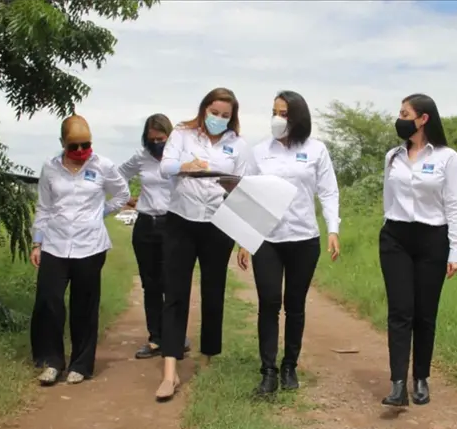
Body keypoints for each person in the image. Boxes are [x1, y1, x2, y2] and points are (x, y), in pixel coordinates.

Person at [237, 91, 341, 397]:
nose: (277, 119)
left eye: (283, 113)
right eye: (274, 112)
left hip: (304, 238)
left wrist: (333, 229)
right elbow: (248, 194)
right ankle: (268, 370)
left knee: (295, 306)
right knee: (269, 303)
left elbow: (329, 192)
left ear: (297, 117)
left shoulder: (316, 150)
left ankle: (289, 366)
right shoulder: (259, 152)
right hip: (267, 239)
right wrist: (244, 239)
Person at [156, 87, 255, 401]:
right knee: (175, 294)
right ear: (204, 110)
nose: (218, 119)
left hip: (218, 224)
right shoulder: (182, 134)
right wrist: (185, 167)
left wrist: (244, 239)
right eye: (214, 113)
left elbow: (243, 192)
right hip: (180, 221)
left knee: (213, 291)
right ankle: (170, 371)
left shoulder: (238, 146)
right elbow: (165, 167)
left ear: (232, 117)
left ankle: (208, 360)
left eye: (225, 115)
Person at [30, 114, 131, 386]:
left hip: (90, 245)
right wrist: (37, 242)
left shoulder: (103, 166)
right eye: (73, 146)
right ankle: (52, 361)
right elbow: (44, 207)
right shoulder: (50, 168)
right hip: (55, 243)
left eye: (85, 145)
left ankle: (81, 364)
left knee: (84, 305)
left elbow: (122, 194)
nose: (80, 151)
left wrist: (101, 213)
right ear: (62, 143)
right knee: (49, 301)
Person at [380, 93, 457, 407]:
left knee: (424, 314)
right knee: (399, 311)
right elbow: (388, 199)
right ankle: (397, 383)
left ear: (423, 118)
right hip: (396, 238)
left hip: (432, 239)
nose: (399, 119)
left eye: (405, 114)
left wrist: (456, 250)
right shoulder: (393, 156)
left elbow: (455, 205)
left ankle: (420, 377)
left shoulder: (446, 157)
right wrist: (389, 226)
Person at [117, 113, 190, 359]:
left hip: (173, 224)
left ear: (170, 137)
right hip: (146, 225)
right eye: (152, 139)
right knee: (151, 284)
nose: (157, 143)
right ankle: (156, 337)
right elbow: (117, 176)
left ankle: (175, 337)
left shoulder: (179, 158)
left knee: (173, 283)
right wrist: (127, 198)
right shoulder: (141, 157)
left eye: (161, 139)